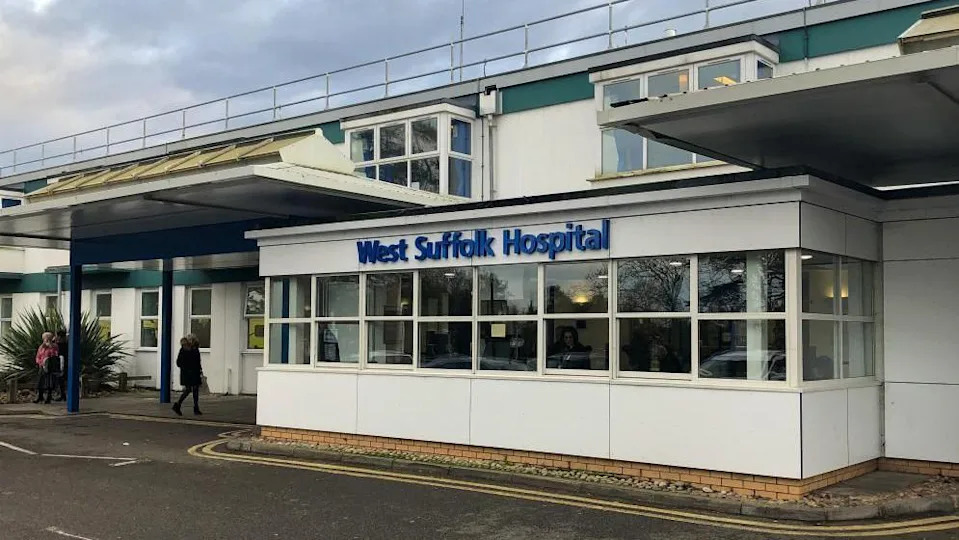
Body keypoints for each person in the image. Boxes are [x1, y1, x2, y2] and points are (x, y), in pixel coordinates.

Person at [173, 335, 203, 416]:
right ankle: (179, 405)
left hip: (191, 373)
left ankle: (194, 407)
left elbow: (197, 361)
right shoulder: (188, 349)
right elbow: (179, 362)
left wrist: (199, 370)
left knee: (193, 389)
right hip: (190, 373)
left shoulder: (191, 349)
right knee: (190, 389)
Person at [33, 332, 59, 404]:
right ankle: (40, 396)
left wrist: (50, 346)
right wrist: (39, 362)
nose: (45, 340)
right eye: (44, 338)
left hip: (49, 366)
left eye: (47, 338)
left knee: (49, 382)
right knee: (40, 382)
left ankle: (48, 397)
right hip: (42, 365)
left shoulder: (54, 346)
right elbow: (38, 356)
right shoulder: (41, 347)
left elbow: (54, 355)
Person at [55, 330, 68, 402]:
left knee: (61, 380)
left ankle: (63, 395)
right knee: (61, 380)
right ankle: (62, 395)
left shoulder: (61, 345)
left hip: (62, 363)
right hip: (62, 363)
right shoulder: (65, 344)